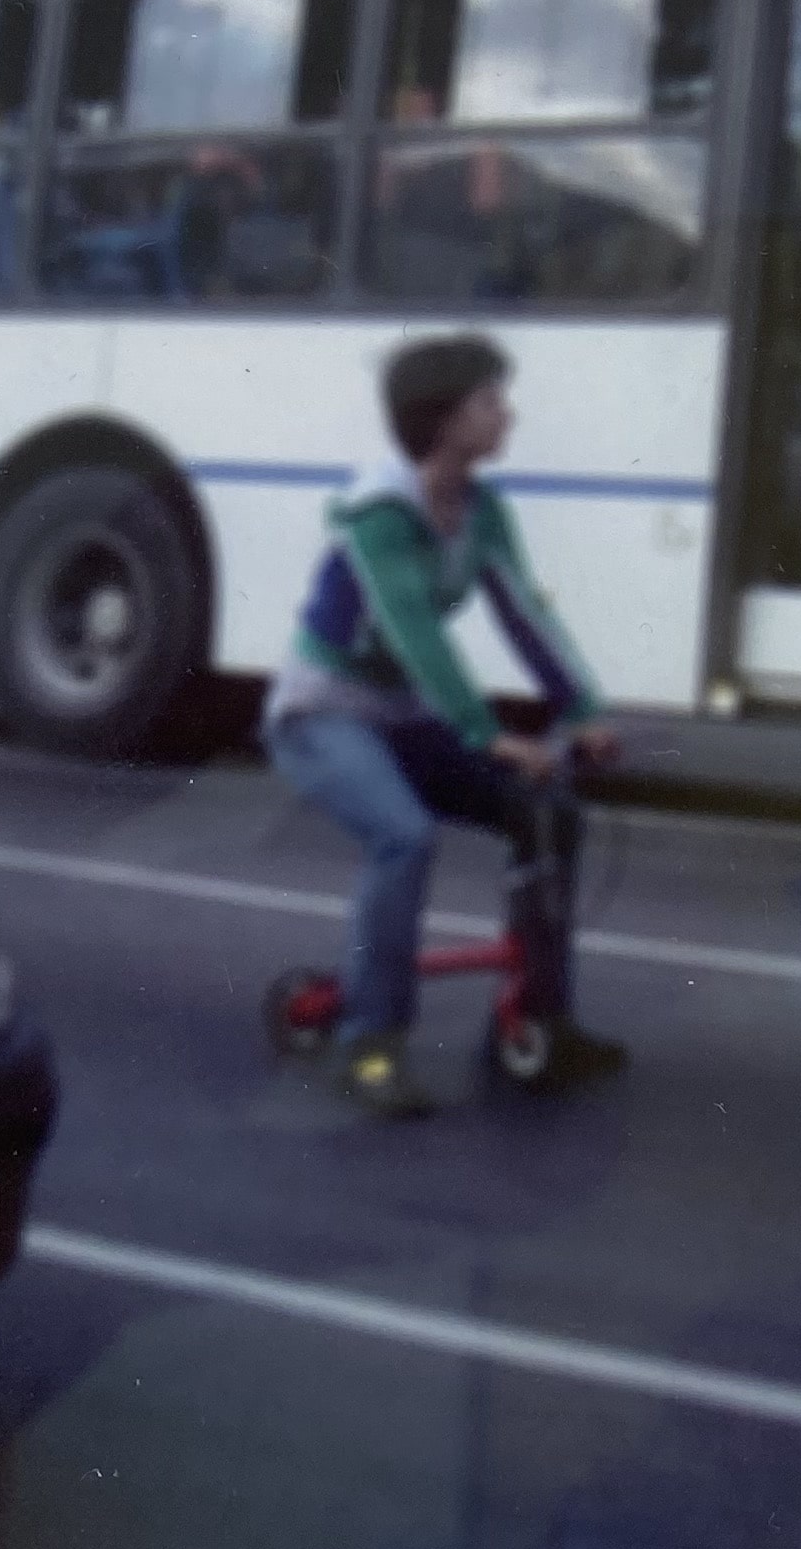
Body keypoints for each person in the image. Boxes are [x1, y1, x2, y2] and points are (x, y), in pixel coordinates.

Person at [263, 333, 627, 1118]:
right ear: (444, 419)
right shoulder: (380, 512)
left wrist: (584, 708)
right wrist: (481, 730)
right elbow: (411, 630)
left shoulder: (484, 511)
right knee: (404, 836)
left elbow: (526, 614)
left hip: (406, 715)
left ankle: (539, 1019)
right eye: (491, 400)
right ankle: (369, 1045)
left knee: (550, 810)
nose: (509, 415)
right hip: (324, 709)